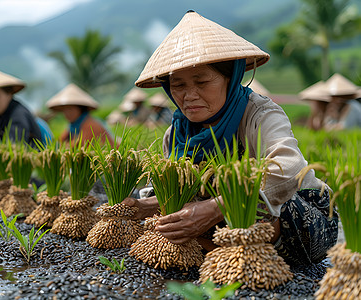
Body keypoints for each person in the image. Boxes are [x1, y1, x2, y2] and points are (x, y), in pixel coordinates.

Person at [122, 10, 338, 266]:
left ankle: (245, 256)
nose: (189, 95)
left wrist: (217, 208)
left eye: (201, 82)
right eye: (178, 86)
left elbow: (290, 168)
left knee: (264, 205)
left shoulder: (260, 114)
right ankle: (219, 253)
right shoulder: (177, 133)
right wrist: (143, 204)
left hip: (299, 219)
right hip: (225, 224)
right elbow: (184, 191)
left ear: (230, 78)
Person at [46, 83, 114, 146]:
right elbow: (59, 142)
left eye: (70, 109)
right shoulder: (73, 125)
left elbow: (79, 144)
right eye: (64, 110)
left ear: (80, 109)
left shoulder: (90, 124)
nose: (67, 113)